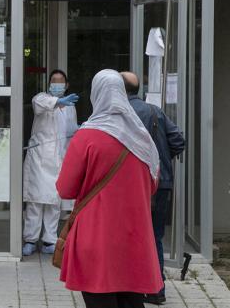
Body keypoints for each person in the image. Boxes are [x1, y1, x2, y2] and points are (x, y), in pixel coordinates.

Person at [56, 69, 163, 308]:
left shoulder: (86, 137)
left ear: (96, 94)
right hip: (135, 237)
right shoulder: (141, 138)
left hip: (95, 238)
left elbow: (65, 189)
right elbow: (153, 183)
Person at [121, 71, 185, 305]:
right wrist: (163, 161)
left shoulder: (122, 113)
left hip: (135, 186)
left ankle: (132, 287)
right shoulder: (154, 111)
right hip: (162, 182)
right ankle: (157, 290)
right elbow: (178, 141)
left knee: (132, 236)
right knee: (155, 236)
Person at [22, 69, 79, 256]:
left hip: (60, 159)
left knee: (54, 202)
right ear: (48, 84)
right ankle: (30, 239)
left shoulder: (70, 106)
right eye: (54, 81)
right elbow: (39, 104)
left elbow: (70, 132)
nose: (57, 84)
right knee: (36, 201)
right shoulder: (42, 98)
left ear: (67, 85)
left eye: (61, 81)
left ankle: (49, 240)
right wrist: (57, 102)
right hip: (40, 158)